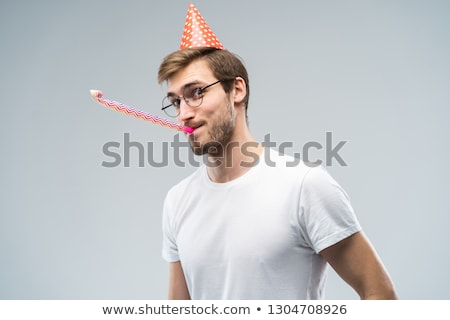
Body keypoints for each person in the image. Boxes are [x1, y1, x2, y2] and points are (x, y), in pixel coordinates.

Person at [158, 4, 397, 300]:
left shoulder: (303, 187)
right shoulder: (177, 201)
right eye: (176, 101)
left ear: (237, 90)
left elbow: (380, 294)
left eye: (196, 93)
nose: (183, 113)